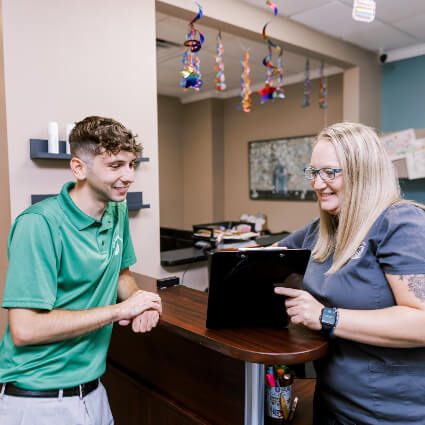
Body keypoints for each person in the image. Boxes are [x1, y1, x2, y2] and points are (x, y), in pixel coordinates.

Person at [0, 116, 162, 425]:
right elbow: (25, 329)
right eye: (115, 166)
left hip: (93, 392)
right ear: (79, 168)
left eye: (131, 164)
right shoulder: (39, 224)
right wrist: (120, 310)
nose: (128, 176)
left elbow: (120, 273)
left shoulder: (117, 209)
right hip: (39, 400)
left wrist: (141, 302)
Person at [274, 122, 425, 425]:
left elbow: (421, 321)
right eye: (314, 173)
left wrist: (325, 316)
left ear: (363, 172)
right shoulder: (323, 229)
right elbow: (265, 258)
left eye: (330, 172)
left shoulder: (399, 221)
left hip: (390, 414)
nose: (317, 184)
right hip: (330, 402)